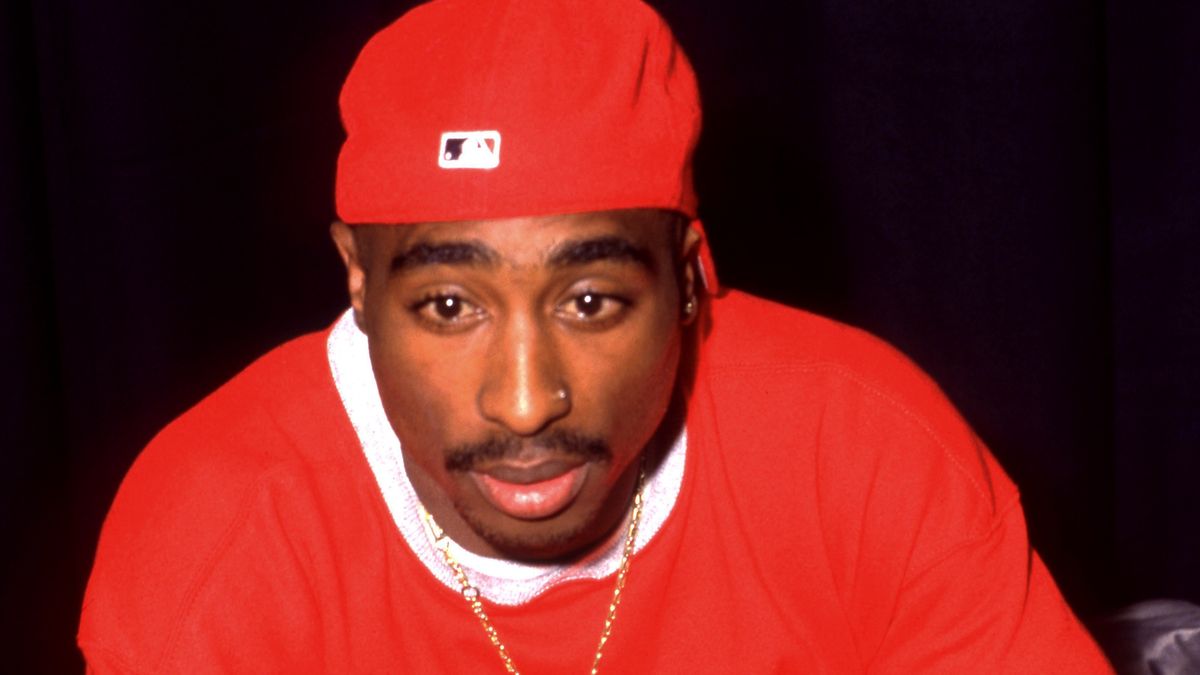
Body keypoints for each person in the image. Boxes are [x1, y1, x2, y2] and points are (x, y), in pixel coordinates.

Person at [78, 0, 1113, 672]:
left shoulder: (864, 448)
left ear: (691, 275)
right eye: (449, 306)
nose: (525, 401)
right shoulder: (213, 540)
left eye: (591, 302)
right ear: (356, 274)